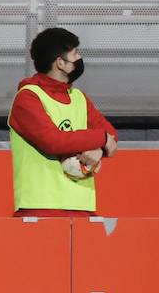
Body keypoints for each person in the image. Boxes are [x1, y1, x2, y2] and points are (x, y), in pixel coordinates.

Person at [8, 27, 117, 217]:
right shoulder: (27, 98)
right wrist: (100, 139)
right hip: (41, 208)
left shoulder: (79, 97)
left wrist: (97, 150)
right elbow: (53, 141)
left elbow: (112, 137)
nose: (80, 58)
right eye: (75, 53)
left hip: (82, 207)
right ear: (60, 63)